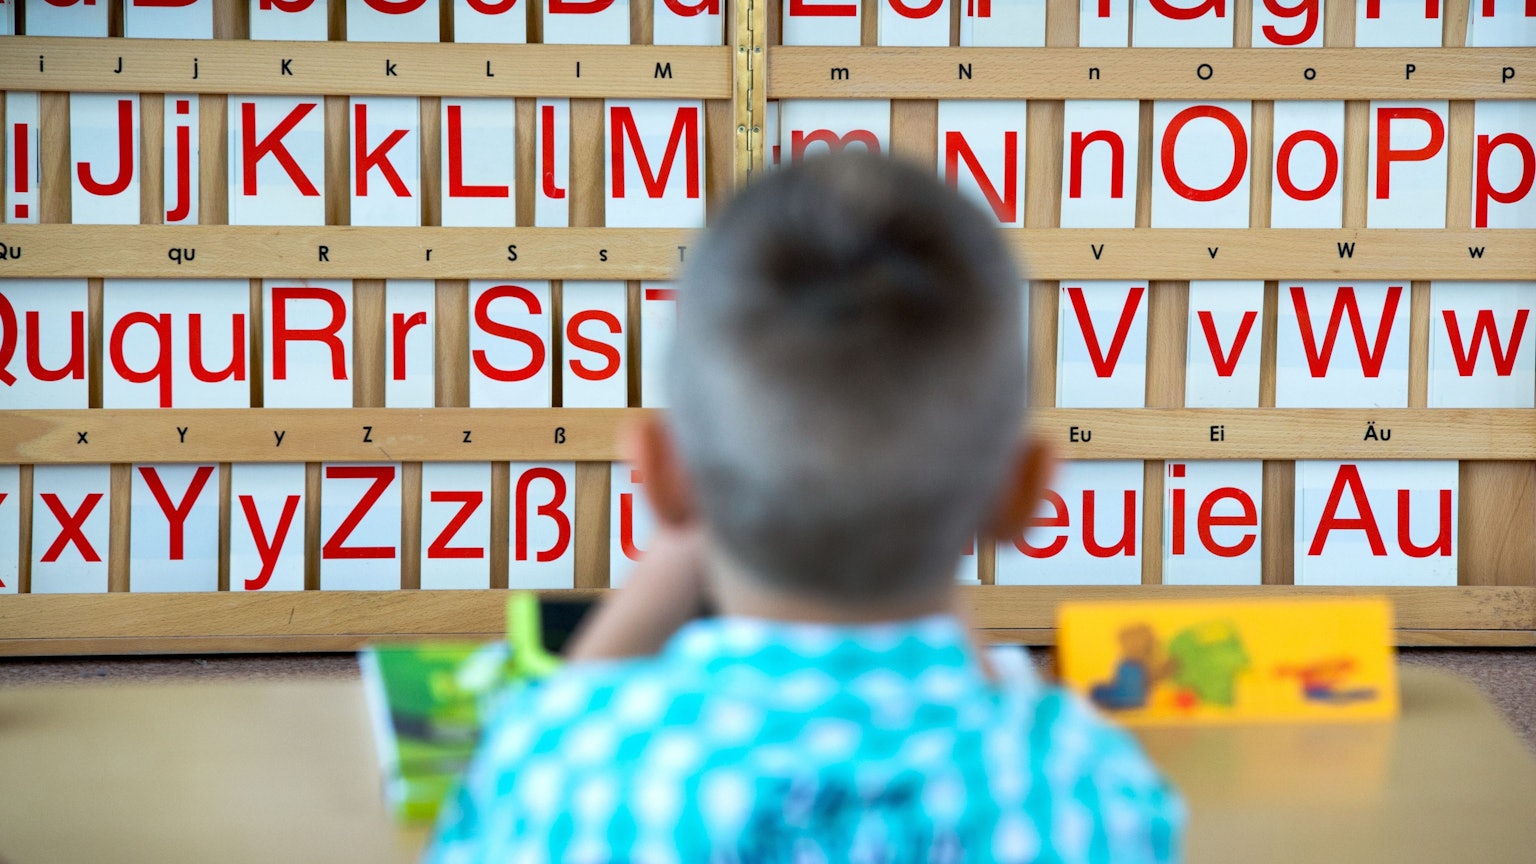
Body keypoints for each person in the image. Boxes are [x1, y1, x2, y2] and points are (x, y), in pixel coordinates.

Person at [422, 154, 1184, 863]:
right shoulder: (1092, 789)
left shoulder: (565, 771)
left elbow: (512, 775)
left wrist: (684, 527)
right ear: (1024, 494)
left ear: (659, 477)